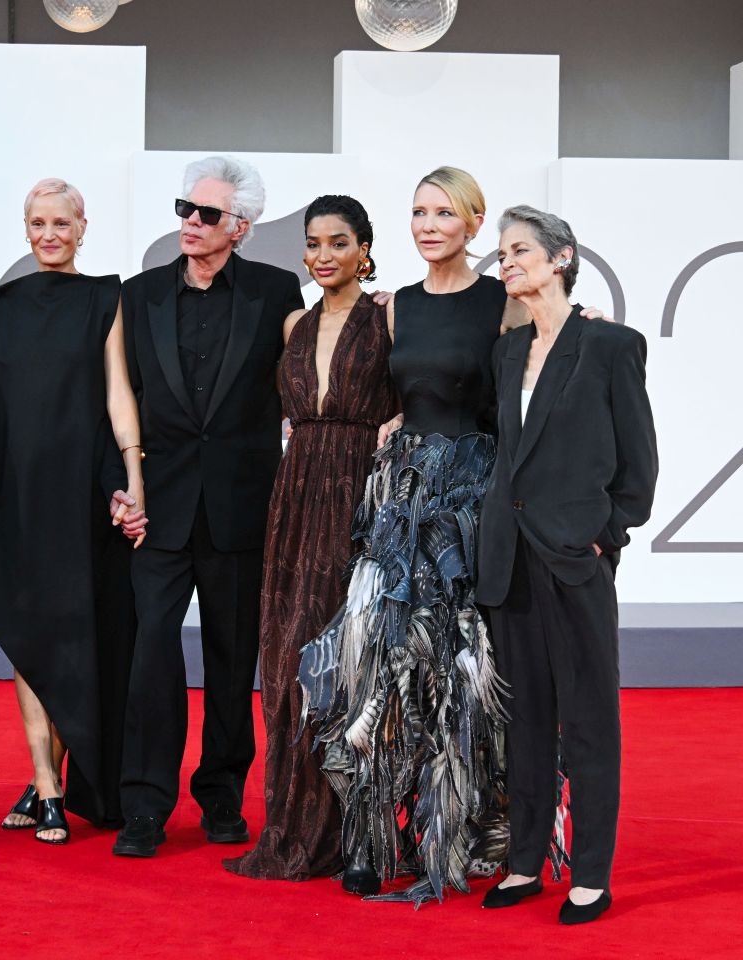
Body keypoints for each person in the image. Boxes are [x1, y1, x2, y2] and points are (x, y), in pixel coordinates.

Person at [298, 166, 526, 904]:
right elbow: (397, 392)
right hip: (400, 500)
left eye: (444, 214)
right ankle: (369, 838)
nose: (428, 226)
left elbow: (525, 394)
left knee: (460, 670)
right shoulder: (396, 307)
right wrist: (396, 427)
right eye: (420, 212)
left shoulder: (501, 302)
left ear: (474, 223)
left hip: (469, 503)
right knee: (381, 658)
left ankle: (461, 828)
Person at [111, 156, 303, 858]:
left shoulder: (276, 292)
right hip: (159, 511)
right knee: (150, 659)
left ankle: (221, 796)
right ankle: (144, 804)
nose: (190, 222)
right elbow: (121, 396)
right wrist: (125, 484)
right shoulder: (139, 295)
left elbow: (313, 368)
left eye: (207, 214)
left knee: (231, 661)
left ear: (240, 227)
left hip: (241, 508)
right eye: (184, 209)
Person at [0, 177, 145, 844]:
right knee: (28, 634)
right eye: (38, 223)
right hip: (18, 494)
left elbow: (117, 391)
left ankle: (46, 782)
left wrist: (132, 473)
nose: (50, 234)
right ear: (25, 229)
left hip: (80, 492)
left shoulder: (105, 296)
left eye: (62, 222)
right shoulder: (3, 302)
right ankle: (47, 783)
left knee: (71, 637)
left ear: (83, 227)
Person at [477, 206, 657, 924]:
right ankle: (524, 863)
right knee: (524, 720)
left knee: (588, 721)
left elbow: (638, 463)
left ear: (562, 257)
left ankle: (591, 876)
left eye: (520, 250)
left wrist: (606, 535)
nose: (507, 263)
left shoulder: (610, 345)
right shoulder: (507, 351)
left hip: (575, 558)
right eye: (502, 254)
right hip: (510, 558)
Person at [224, 196, 397, 881]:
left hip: (362, 491)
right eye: (314, 243)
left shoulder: (389, 316)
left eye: (339, 242)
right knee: (288, 659)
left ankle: (358, 835)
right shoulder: (294, 323)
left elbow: (448, 365)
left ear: (364, 250)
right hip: (295, 495)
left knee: (351, 663)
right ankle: (294, 826)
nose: (324, 255)